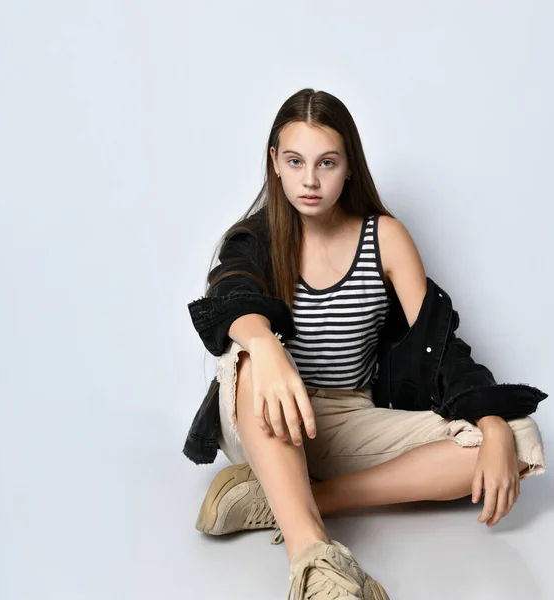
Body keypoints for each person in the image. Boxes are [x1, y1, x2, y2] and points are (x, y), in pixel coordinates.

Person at [187, 88, 546, 600]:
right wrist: (265, 347)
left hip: (347, 419)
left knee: (515, 437)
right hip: (262, 414)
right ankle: (313, 561)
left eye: (326, 162)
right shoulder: (253, 239)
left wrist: (490, 422)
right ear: (276, 163)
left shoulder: (385, 237)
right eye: (295, 161)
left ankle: (298, 499)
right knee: (247, 351)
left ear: (349, 166)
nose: (309, 179)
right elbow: (230, 296)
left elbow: (439, 347)